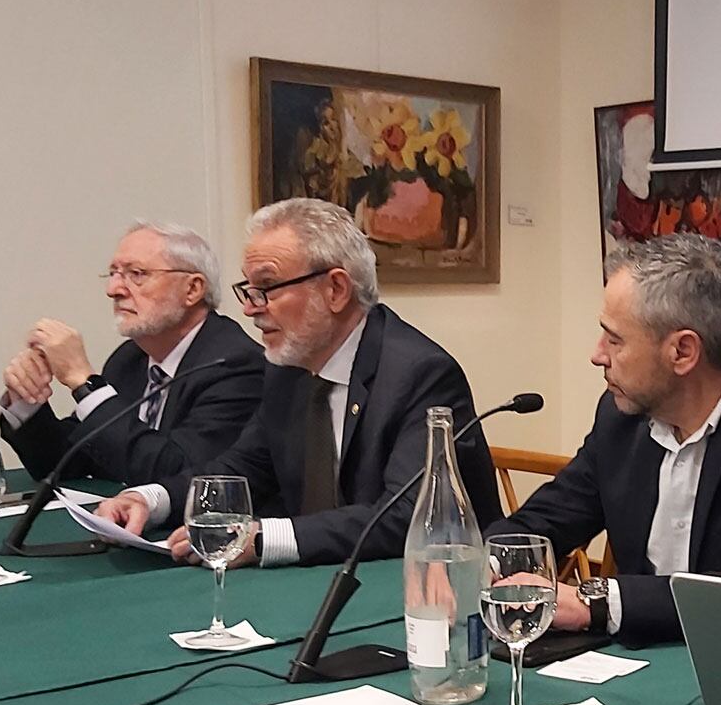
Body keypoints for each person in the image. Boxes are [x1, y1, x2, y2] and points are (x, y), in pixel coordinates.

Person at [488, 233, 721, 645]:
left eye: (615, 339)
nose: (598, 355)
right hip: (650, 657)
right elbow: (549, 519)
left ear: (682, 352)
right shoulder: (620, 416)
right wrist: (483, 562)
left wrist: (595, 601)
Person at [94, 198, 500, 567]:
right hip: (325, 575)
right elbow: (244, 467)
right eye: (248, 289)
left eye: (266, 288)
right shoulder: (288, 367)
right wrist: (151, 499)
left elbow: (408, 514)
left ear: (336, 289)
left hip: (423, 588)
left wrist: (265, 539)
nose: (251, 308)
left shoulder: (419, 373)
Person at [0, 221, 263, 484]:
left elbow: (178, 476)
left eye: (136, 274)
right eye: (113, 273)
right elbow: (70, 459)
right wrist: (26, 400)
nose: (113, 290)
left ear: (192, 289)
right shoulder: (130, 358)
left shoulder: (235, 365)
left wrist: (84, 382)